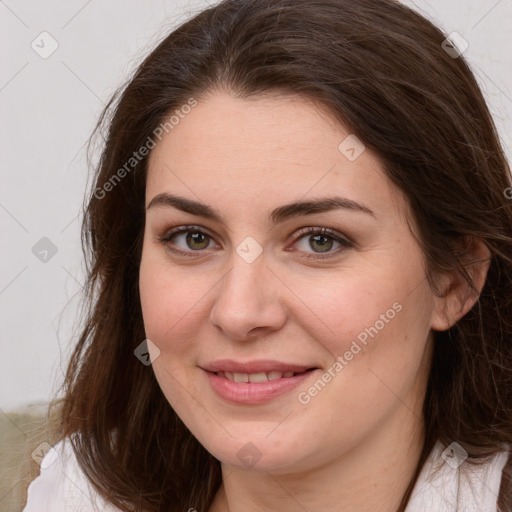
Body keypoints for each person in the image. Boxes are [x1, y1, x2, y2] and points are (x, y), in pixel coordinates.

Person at [22, 0, 512, 511]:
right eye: (193, 238)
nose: (238, 313)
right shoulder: (73, 495)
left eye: (320, 240)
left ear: (454, 280)